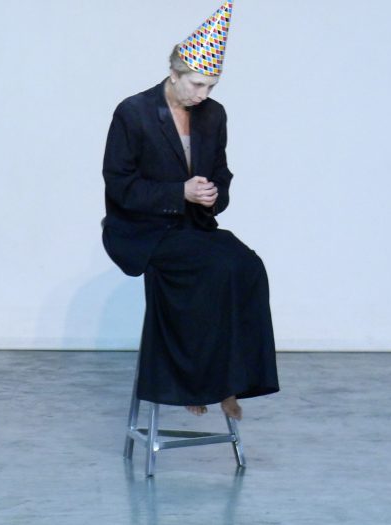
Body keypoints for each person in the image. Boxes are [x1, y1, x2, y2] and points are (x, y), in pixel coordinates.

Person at [101, 1, 277, 421]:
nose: (203, 95)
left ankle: (230, 381)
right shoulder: (134, 113)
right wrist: (179, 192)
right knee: (212, 267)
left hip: (191, 226)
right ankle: (196, 381)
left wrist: (214, 194)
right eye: (197, 85)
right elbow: (120, 185)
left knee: (249, 268)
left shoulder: (213, 115)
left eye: (210, 87)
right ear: (174, 73)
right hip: (142, 229)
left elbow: (221, 172)